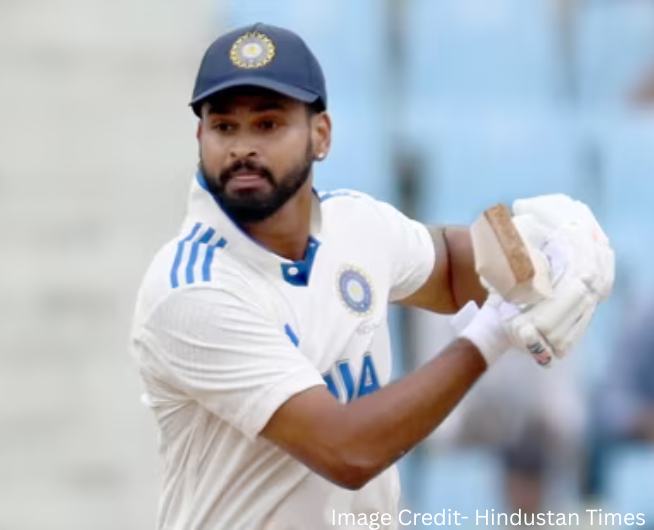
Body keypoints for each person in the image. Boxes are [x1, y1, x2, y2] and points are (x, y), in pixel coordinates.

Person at [129, 23, 612, 530]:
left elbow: (451, 269)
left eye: (268, 124)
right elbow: (347, 451)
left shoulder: (355, 223)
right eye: (225, 127)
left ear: (321, 135)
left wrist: (547, 248)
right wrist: (490, 335)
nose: (242, 148)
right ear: (200, 136)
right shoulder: (191, 288)